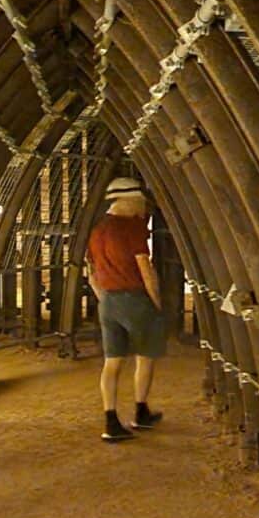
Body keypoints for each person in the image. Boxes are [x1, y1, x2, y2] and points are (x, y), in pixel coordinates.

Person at [86, 177, 165, 442]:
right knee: (145, 357)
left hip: (108, 300)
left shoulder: (97, 231)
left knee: (112, 363)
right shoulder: (131, 228)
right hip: (135, 299)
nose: (142, 209)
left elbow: (92, 274)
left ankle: (111, 422)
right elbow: (145, 269)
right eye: (140, 203)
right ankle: (140, 412)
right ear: (127, 200)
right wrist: (156, 301)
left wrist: (105, 300)